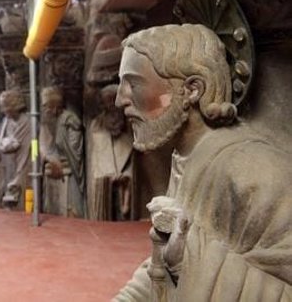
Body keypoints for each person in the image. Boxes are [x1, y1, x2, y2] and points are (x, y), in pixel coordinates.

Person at [113, 24, 292, 301]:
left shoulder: (253, 171)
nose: (119, 100)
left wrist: (187, 253)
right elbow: (160, 265)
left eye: (133, 83)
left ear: (192, 89)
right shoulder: (186, 157)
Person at [87, 84, 134, 221]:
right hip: (104, 183)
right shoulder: (97, 125)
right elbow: (97, 156)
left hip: (125, 185)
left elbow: (135, 156)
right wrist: (107, 172)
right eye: (107, 104)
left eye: (113, 102)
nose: (111, 107)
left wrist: (127, 175)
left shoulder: (130, 125)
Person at [39, 87, 85, 217]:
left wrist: (61, 162)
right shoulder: (46, 121)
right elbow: (41, 145)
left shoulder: (69, 120)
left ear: (55, 106)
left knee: (71, 209)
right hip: (52, 167)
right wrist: (50, 158)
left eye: (46, 105)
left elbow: (74, 150)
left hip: (69, 171)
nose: (44, 109)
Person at [0, 89, 31, 208]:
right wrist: (7, 144)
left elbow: (29, 151)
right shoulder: (6, 121)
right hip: (8, 164)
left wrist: (19, 177)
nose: (3, 110)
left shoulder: (28, 122)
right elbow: (0, 144)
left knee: (22, 199)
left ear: (15, 105)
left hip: (23, 167)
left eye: (5, 106)